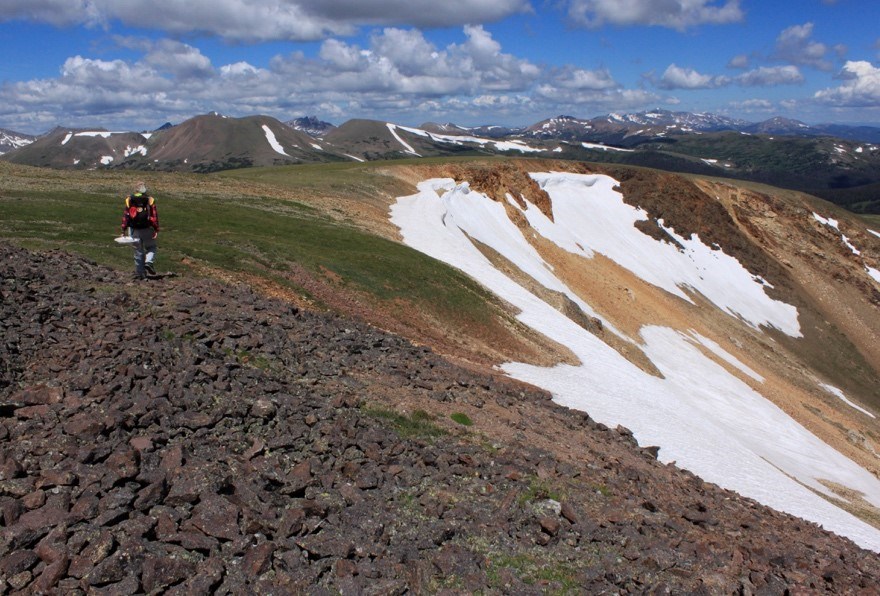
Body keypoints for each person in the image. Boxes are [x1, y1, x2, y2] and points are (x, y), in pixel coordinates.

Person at [121, 181, 159, 279]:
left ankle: (140, 273)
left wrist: (123, 229)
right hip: (147, 228)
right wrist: (156, 229)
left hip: (134, 229)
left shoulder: (129, 199)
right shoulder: (150, 199)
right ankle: (149, 262)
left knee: (138, 251)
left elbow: (126, 216)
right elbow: (154, 216)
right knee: (151, 247)